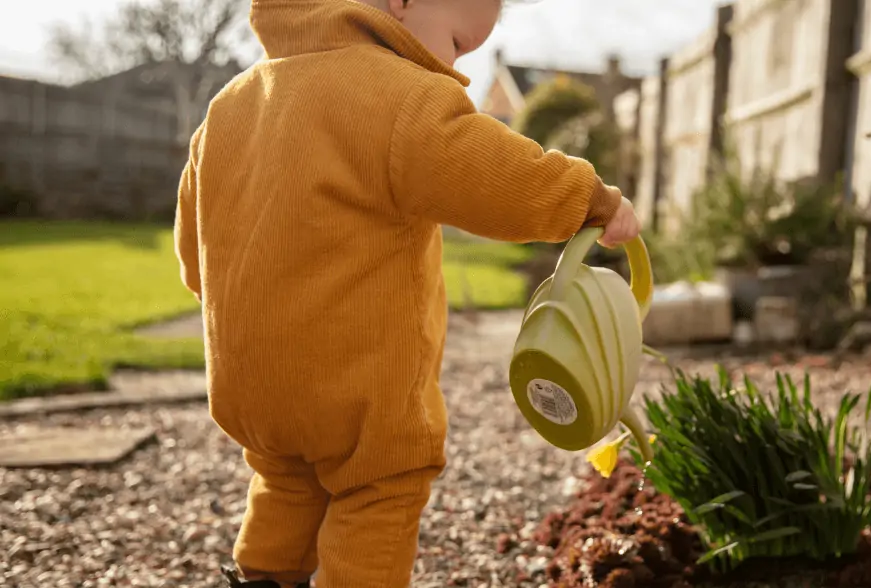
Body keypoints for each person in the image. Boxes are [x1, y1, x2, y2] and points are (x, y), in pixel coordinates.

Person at [172, 0, 641, 586]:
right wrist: (592, 201)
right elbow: (495, 176)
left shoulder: (227, 107)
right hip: (354, 387)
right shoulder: (398, 95)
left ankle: (262, 578)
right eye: (458, 43)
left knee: (287, 479)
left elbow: (198, 253)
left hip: (249, 383)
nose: (460, 71)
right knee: (379, 486)